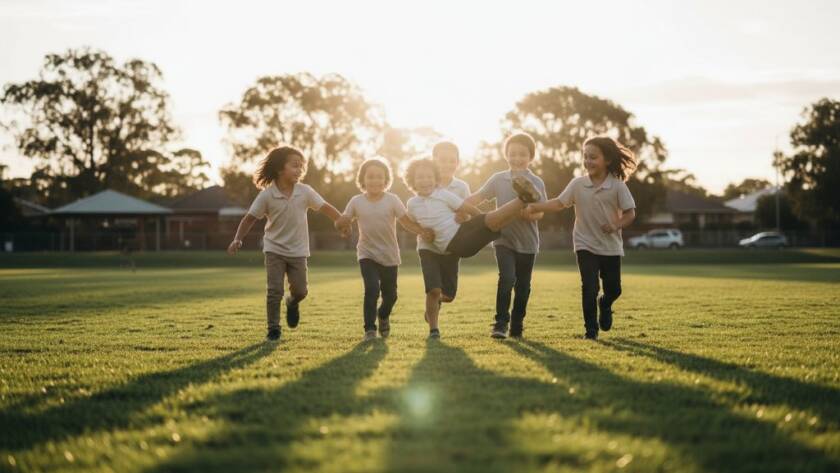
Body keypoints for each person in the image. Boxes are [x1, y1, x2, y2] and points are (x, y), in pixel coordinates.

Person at [403, 156, 542, 339]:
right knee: (437, 292)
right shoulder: (412, 204)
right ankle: (434, 327)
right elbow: (409, 223)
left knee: (493, 222)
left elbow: (465, 207)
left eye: (429, 176)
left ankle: (523, 200)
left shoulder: (443, 194)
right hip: (455, 244)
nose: (425, 180)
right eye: (420, 177)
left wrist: (481, 221)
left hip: (462, 232)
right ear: (412, 181)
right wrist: (421, 231)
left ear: (436, 179)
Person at [522, 136, 637, 339]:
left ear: (607, 160)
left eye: (593, 157)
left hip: (610, 247)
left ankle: (606, 303)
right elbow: (558, 203)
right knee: (589, 287)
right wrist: (534, 206)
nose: (588, 161)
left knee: (614, 289)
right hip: (585, 244)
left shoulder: (618, 186)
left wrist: (615, 225)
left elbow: (630, 213)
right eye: (585, 157)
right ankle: (591, 331)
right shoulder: (578, 184)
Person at [227, 145, 344, 341]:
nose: (299, 170)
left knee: (301, 290)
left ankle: (292, 302)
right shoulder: (267, 195)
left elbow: (324, 207)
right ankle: (273, 329)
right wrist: (237, 238)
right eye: (295, 165)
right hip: (274, 249)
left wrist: (341, 221)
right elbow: (249, 218)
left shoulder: (305, 191)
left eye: (301, 166)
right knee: (274, 290)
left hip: (298, 251)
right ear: (280, 168)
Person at [335, 157, 434, 341]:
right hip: (367, 253)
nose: (375, 181)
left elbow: (406, 222)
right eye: (370, 177)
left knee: (391, 296)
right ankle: (369, 330)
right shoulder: (356, 201)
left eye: (379, 177)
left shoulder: (392, 200)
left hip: (389, 255)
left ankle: (383, 315)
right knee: (371, 289)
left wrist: (422, 231)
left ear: (386, 180)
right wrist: (342, 225)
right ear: (363, 180)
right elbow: (345, 219)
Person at [464, 132, 547, 339]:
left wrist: (530, 214)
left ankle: (517, 324)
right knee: (507, 278)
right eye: (512, 154)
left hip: (528, 243)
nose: (517, 158)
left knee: (523, 287)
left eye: (522, 154)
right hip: (503, 239)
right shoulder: (498, 179)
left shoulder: (536, 181)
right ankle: (500, 324)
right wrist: (459, 206)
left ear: (530, 156)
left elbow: (541, 211)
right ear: (506, 155)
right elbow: (480, 197)